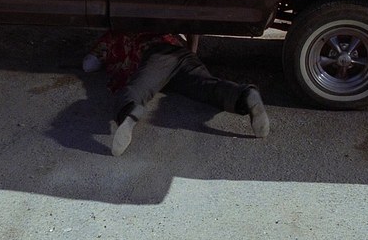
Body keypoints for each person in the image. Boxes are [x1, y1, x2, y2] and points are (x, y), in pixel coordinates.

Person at [83, 31, 270, 156]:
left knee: (138, 88)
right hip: (183, 55)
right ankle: (245, 95)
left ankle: (128, 114)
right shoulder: (166, 29)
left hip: (157, 55)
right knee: (207, 87)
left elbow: (88, 65)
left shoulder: (115, 35)